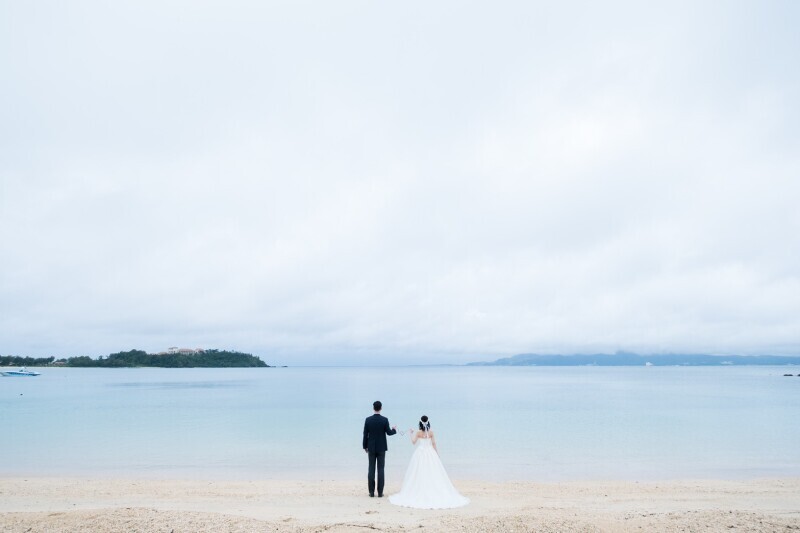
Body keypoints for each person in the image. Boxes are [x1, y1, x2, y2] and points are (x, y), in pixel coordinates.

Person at [388, 415, 469, 509]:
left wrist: (410, 433)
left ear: (420, 423)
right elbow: (434, 443)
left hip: (420, 453)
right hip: (430, 453)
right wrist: (437, 454)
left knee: (418, 472)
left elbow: (413, 442)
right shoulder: (431, 432)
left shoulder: (418, 433)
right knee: (432, 472)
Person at [362, 400, 397, 497]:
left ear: (373, 408)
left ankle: (371, 492)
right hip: (381, 447)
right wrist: (394, 430)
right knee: (381, 469)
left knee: (371, 469)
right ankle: (380, 492)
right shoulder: (384, 420)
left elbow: (365, 434)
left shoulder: (368, 420)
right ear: (381, 408)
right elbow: (389, 433)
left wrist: (364, 446)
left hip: (371, 447)